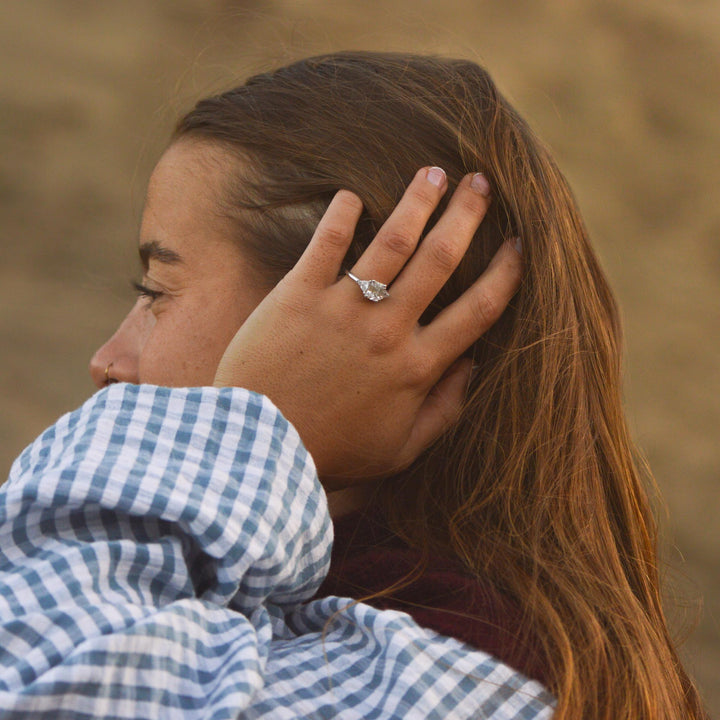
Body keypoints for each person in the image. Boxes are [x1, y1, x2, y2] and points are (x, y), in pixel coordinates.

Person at [1, 52, 707, 718]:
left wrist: (256, 430)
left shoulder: (465, 672)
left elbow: (32, 676)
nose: (109, 359)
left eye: (157, 288)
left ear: (373, 320)